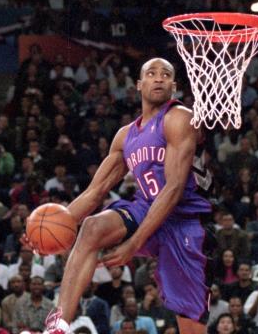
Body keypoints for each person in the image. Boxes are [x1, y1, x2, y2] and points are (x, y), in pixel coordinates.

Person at [35, 58, 215, 334]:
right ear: (139, 85)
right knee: (91, 227)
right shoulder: (125, 136)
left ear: (174, 87)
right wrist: (47, 231)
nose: (158, 78)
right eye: (151, 74)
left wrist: (134, 244)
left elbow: (174, 189)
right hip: (146, 208)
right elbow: (95, 192)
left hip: (186, 220)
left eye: (165, 75)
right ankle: (59, 324)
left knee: (191, 328)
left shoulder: (179, 118)